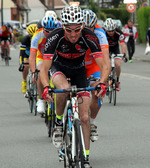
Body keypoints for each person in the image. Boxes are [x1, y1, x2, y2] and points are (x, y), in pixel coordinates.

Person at [41, 6, 109, 167]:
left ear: (82, 26)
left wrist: (102, 83)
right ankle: (58, 124)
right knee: (63, 89)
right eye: (69, 30)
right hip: (59, 68)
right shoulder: (54, 37)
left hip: (80, 71)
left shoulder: (89, 37)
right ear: (62, 26)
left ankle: (85, 158)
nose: (73, 34)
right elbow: (44, 68)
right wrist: (45, 86)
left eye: (77, 30)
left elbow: (105, 65)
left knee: (85, 117)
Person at [83, 9, 111, 142]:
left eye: (91, 28)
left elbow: (106, 61)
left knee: (97, 92)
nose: (88, 31)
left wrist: (105, 80)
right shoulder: (73, 32)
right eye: (85, 28)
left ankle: (92, 123)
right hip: (78, 65)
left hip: (94, 65)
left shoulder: (100, 33)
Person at [29, 15, 58, 114]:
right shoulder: (37, 36)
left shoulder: (60, 34)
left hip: (55, 57)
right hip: (41, 56)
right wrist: (33, 72)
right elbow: (32, 56)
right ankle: (41, 99)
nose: (49, 34)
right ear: (43, 29)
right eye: (47, 31)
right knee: (41, 72)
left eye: (52, 31)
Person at [104, 18, 127, 91]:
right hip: (106, 49)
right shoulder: (102, 33)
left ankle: (117, 80)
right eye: (109, 31)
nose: (111, 32)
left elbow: (122, 44)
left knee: (118, 64)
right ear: (105, 29)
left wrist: (124, 54)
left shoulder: (119, 33)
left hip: (115, 48)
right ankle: (106, 81)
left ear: (115, 29)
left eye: (112, 30)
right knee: (107, 66)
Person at [19, 24, 38, 94]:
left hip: (36, 54)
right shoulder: (25, 39)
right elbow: (21, 53)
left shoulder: (39, 38)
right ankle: (24, 81)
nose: (33, 37)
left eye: (34, 35)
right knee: (25, 66)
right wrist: (21, 64)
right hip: (27, 54)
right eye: (31, 36)